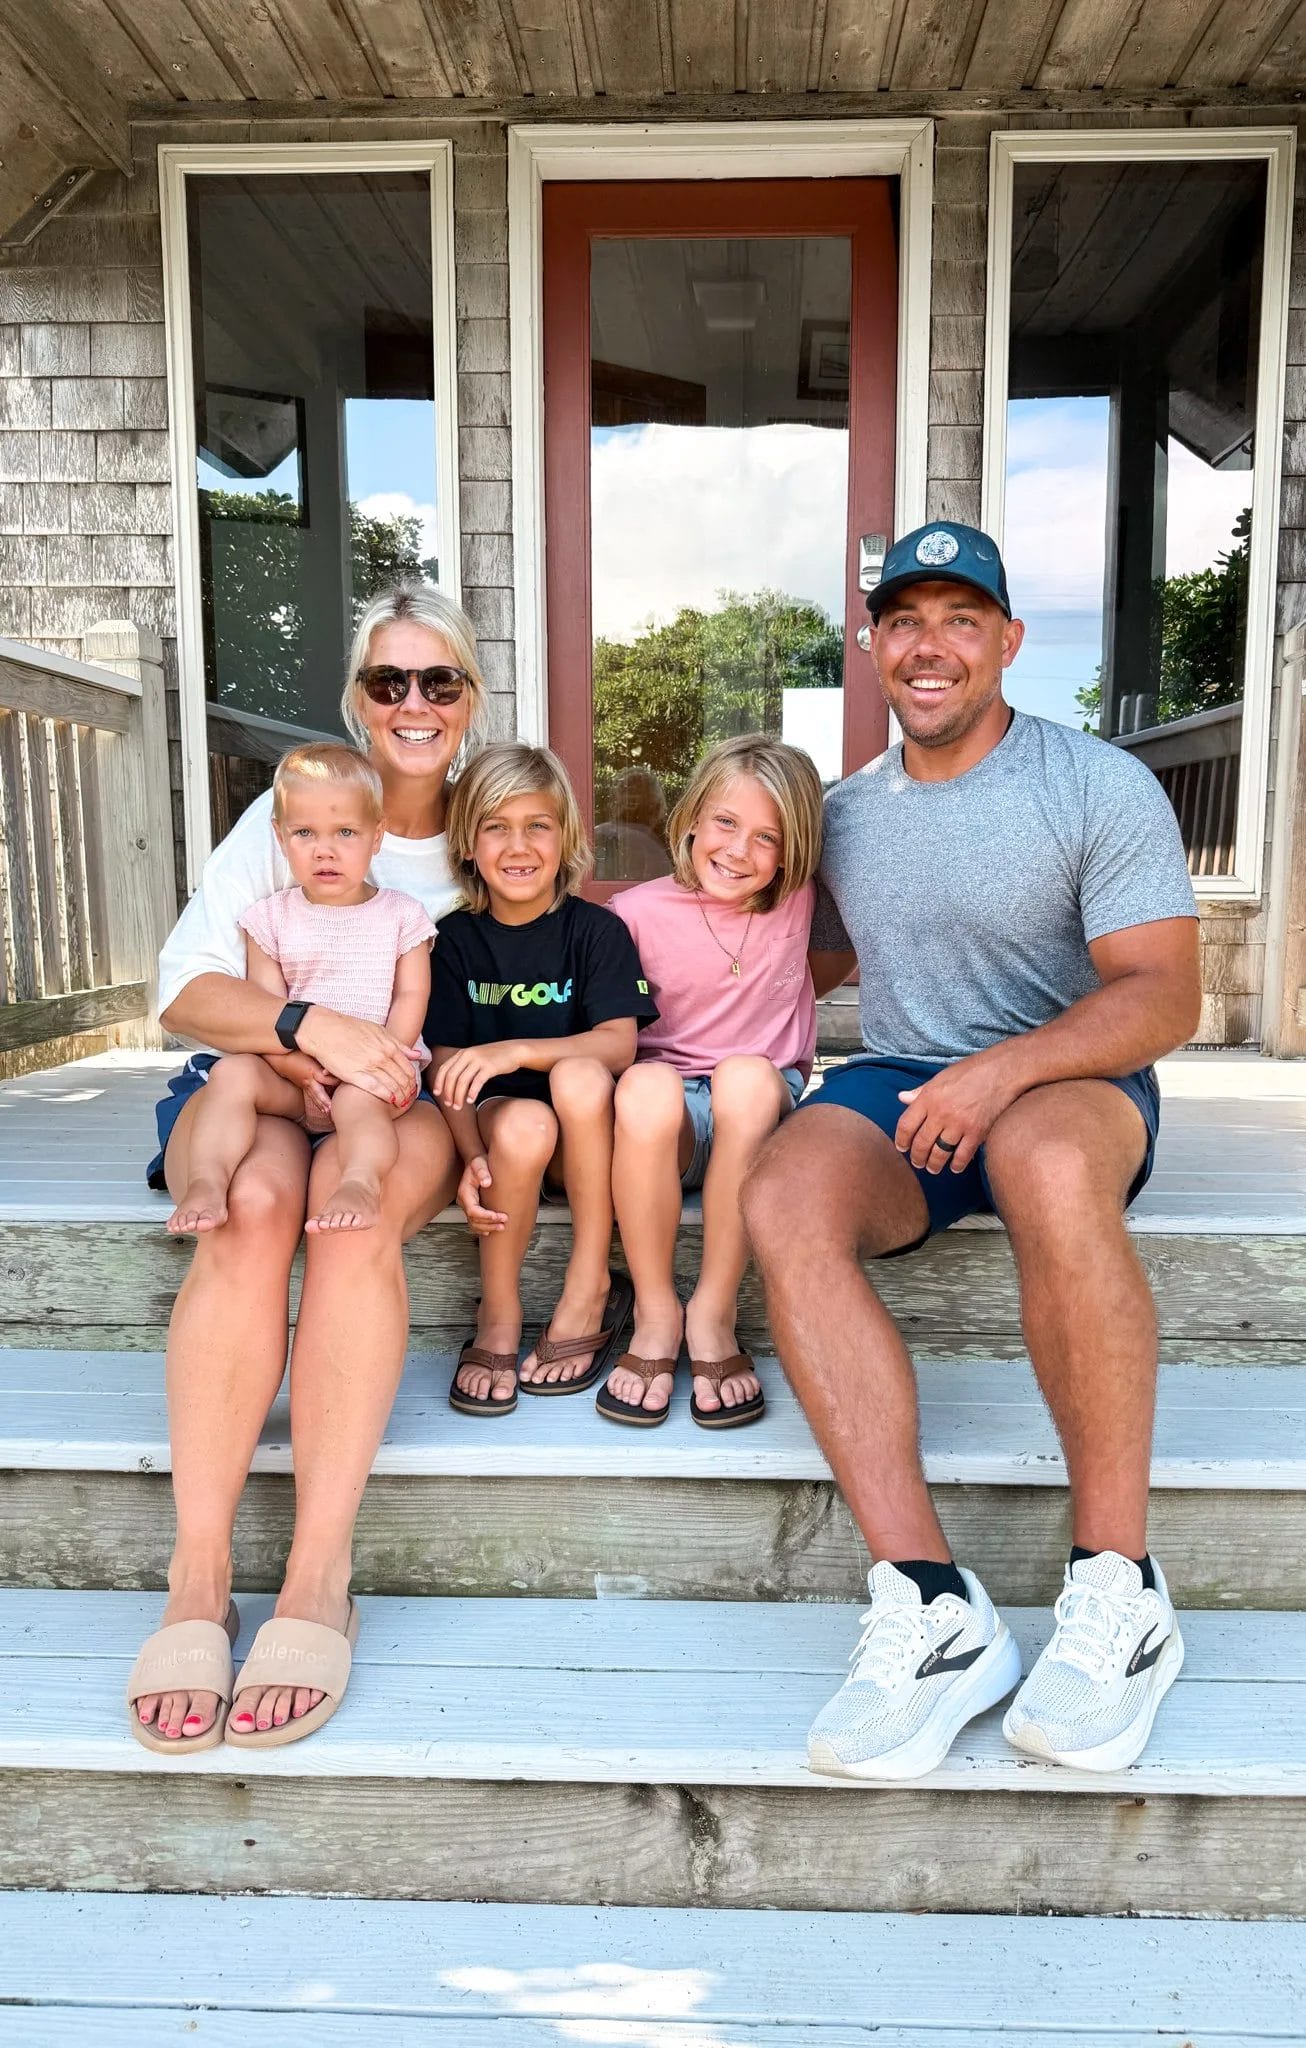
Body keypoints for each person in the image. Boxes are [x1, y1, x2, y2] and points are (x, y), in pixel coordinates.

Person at [742, 521, 1202, 1782]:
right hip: (903, 1082)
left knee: (1043, 1160)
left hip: (1071, 1075)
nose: (929, 644)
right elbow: (769, 965)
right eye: (904, 620)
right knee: (783, 1191)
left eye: (960, 618)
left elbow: (1163, 993)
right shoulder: (844, 814)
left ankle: (1120, 1587)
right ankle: (932, 1605)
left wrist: (1001, 1072)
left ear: (1007, 640)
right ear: (872, 646)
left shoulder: (1094, 783)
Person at [126, 583, 485, 1755]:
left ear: (471, 697)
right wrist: (309, 1027)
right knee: (253, 1204)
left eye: (439, 680)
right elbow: (185, 989)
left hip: (401, 1098)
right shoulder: (289, 813)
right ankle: (198, 1575)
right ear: (357, 698)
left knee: (350, 1215)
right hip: (269, 1077)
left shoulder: (487, 820)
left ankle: (319, 1575)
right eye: (389, 680)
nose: (415, 702)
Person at [429, 742, 658, 1416]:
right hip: (505, 1131)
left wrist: (515, 1050)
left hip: (586, 1137)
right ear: (467, 844)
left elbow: (619, 1043)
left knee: (582, 1075)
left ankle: (590, 1279)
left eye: (538, 825)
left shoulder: (596, 932)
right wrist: (470, 1155)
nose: (518, 845)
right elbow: (445, 1064)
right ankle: (498, 1313)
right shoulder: (452, 940)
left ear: (567, 837)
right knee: (527, 1123)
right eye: (496, 827)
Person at [602, 735, 822, 1429]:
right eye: (725, 822)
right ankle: (656, 1311)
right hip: (665, 1125)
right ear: (693, 816)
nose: (739, 850)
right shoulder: (633, 913)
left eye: (768, 837)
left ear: (792, 851)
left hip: (755, 1110)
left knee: (747, 1080)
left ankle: (714, 1312)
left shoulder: (802, 901)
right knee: (644, 1087)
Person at [165, 742, 435, 1241]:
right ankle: (207, 1180)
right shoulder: (269, 919)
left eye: (345, 832)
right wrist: (297, 1069)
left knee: (357, 1105)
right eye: (304, 833)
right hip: (293, 1077)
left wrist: (382, 1059)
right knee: (231, 1074)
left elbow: (411, 996)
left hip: (375, 1078)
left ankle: (359, 1182)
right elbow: (271, 1008)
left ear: (377, 836)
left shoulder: (402, 915)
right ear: (279, 836)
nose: (324, 850)